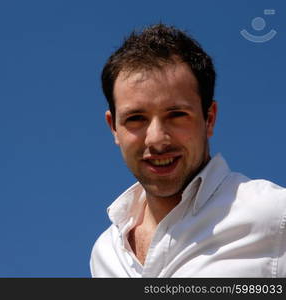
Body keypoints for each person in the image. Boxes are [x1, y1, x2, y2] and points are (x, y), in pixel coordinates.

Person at [90, 24, 286, 277]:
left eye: (177, 115)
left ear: (209, 118)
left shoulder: (273, 215)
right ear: (113, 128)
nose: (157, 139)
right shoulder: (105, 254)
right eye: (136, 118)